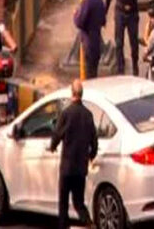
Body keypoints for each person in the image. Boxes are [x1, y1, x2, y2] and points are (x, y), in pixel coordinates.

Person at [51, 79, 97, 229]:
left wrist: (52, 147)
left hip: (67, 168)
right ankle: (89, 224)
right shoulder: (88, 115)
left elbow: (57, 135)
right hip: (80, 169)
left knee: (63, 204)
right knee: (78, 202)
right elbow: (94, 142)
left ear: (72, 93)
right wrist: (90, 156)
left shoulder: (66, 114)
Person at [73, 0, 106, 79]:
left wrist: (75, 14)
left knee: (89, 74)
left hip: (88, 42)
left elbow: (79, 22)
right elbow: (103, 20)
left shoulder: (87, 0)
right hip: (97, 41)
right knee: (94, 72)